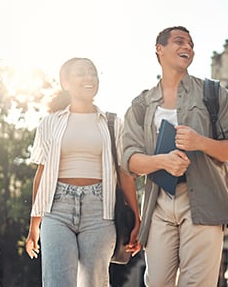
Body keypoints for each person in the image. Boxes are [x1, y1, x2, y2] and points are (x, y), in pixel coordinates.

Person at [119, 26, 228, 287]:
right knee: (157, 282)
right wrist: (162, 162)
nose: (187, 47)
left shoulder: (214, 94)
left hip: (205, 200)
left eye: (191, 44)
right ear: (160, 49)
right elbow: (129, 160)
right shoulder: (141, 104)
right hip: (159, 202)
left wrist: (200, 142)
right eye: (179, 41)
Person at [25, 58, 142, 287]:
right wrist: (34, 225)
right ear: (65, 82)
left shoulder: (113, 123)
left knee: (95, 283)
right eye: (81, 73)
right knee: (57, 283)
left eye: (92, 73)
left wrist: (137, 219)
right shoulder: (49, 123)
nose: (89, 77)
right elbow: (42, 174)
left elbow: (125, 174)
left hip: (100, 211)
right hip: (57, 209)